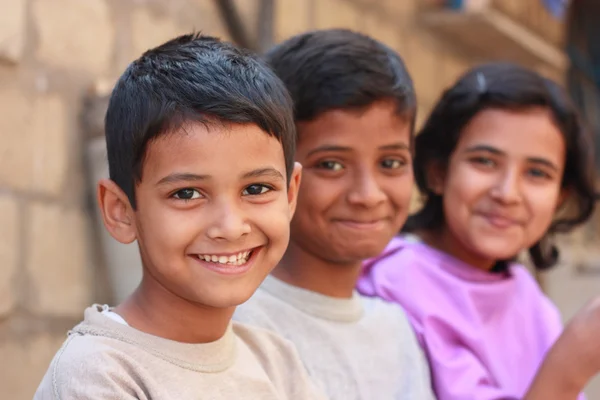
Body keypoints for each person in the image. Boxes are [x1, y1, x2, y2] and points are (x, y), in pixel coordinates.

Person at [34, 33, 327, 399]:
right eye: (186, 193)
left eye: (256, 189)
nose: (230, 226)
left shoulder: (275, 361)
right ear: (121, 211)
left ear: (290, 193)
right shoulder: (101, 373)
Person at [358, 62, 596, 400]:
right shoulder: (395, 281)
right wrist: (570, 367)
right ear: (438, 171)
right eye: (484, 161)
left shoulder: (527, 297)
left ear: (560, 197)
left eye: (538, 173)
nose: (507, 192)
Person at [234, 29, 434, 400]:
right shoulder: (235, 325)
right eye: (330, 165)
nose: (367, 195)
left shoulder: (395, 330)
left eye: (391, 163)